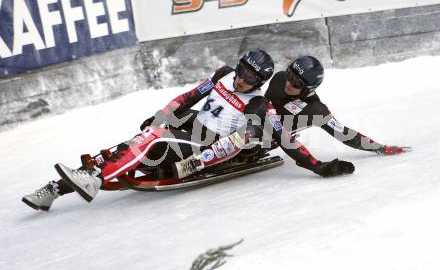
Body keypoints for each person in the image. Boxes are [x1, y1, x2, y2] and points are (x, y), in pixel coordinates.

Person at [22, 50, 278, 211]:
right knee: (129, 145)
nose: (242, 78)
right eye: (242, 70)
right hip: (195, 125)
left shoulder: (258, 104)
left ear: (260, 82)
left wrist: (196, 164)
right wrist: (162, 117)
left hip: (206, 146)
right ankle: (56, 190)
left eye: (251, 78)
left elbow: (234, 144)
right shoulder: (223, 74)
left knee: (153, 137)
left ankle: (95, 179)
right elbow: (188, 98)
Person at [264, 55, 411, 172]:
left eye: (297, 83)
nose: (289, 83)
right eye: (290, 75)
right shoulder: (279, 78)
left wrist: (381, 148)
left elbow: (344, 134)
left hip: (271, 135)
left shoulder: (316, 110)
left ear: (309, 88)